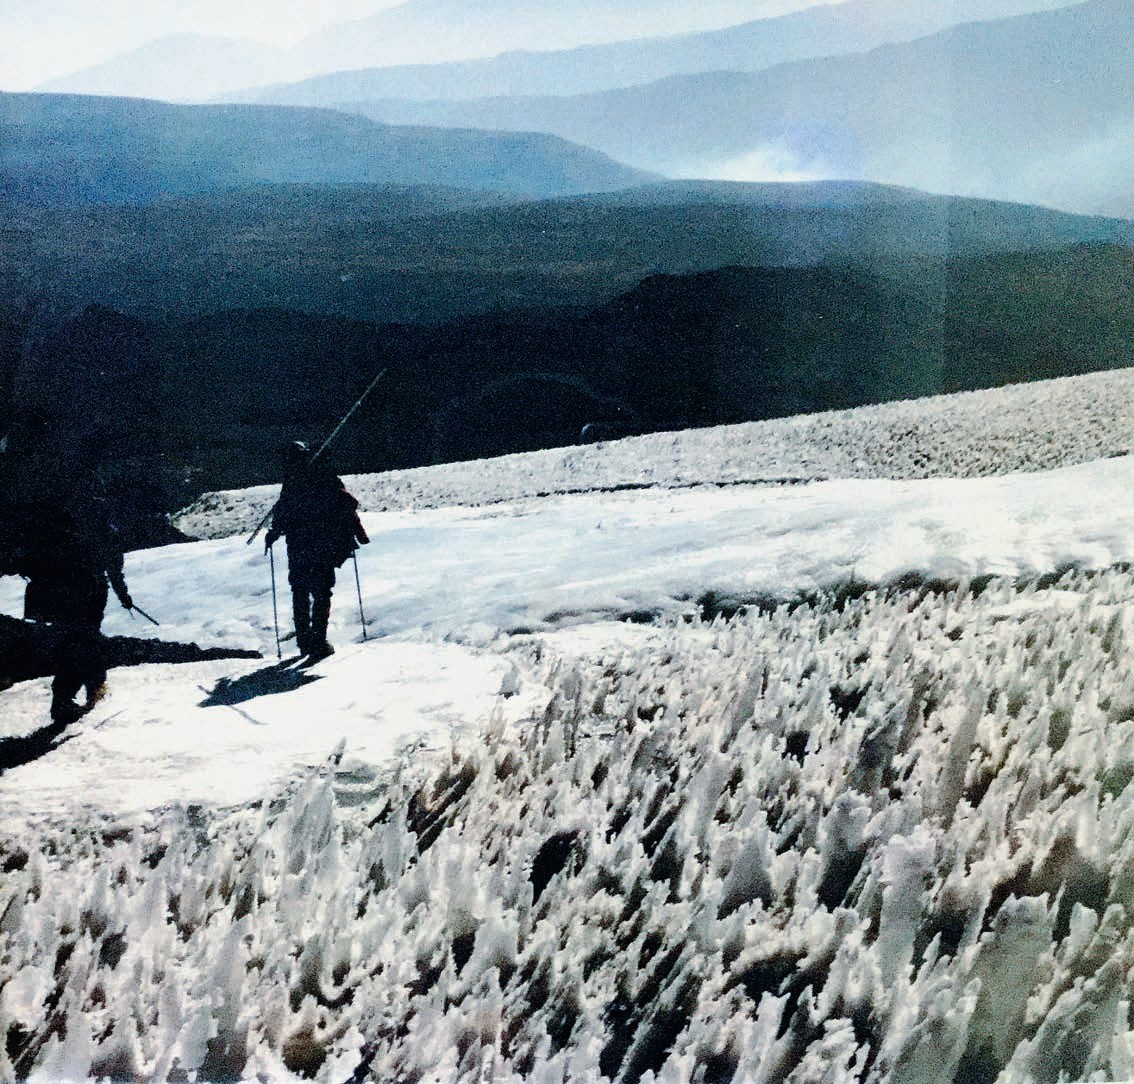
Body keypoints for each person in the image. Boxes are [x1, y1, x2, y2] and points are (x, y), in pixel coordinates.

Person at [19, 499, 133, 723]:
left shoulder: (67, 531)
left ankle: (79, 693)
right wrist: (124, 596)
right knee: (85, 643)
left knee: (75, 643)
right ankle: (81, 694)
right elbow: (114, 569)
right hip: (90, 597)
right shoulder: (105, 535)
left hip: (58, 599)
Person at [264, 442, 369, 661]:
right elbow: (344, 502)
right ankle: (319, 640)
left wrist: (274, 531)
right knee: (321, 592)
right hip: (322, 544)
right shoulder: (324, 476)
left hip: (298, 545)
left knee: (300, 591)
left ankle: (305, 641)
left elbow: (283, 511)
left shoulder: (293, 481)